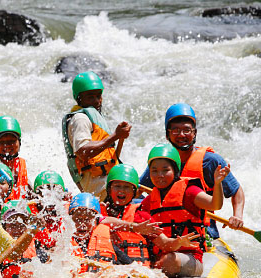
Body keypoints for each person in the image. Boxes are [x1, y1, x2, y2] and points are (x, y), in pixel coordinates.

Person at [139, 103, 245, 240]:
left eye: (187, 130)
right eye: (175, 130)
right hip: (165, 234)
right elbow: (138, 191)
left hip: (202, 233)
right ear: (167, 135)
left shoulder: (211, 161)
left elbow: (236, 191)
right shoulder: (161, 163)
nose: (181, 135)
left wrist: (237, 216)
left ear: (194, 133)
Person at [135, 144, 230, 278]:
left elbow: (215, 204)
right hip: (163, 255)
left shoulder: (189, 192)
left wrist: (218, 183)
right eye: (154, 171)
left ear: (175, 170)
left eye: (165, 170)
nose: (159, 175)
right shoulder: (148, 202)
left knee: (168, 261)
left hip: (190, 258)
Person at [61, 71, 131, 201]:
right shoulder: (80, 119)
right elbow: (83, 151)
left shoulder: (92, 117)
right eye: (90, 97)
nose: (97, 101)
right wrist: (115, 136)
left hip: (110, 186)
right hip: (100, 191)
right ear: (79, 98)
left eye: (99, 96)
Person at [99, 164, 162, 267]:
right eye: (117, 186)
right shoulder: (98, 212)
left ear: (134, 192)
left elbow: (163, 243)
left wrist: (177, 243)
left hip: (137, 272)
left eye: (127, 187)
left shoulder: (141, 217)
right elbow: (101, 220)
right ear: (109, 189)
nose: (122, 190)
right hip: (107, 269)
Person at [0, 115, 31, 200]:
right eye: (1, 142)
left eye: (12, 141)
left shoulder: (20, 166)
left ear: (19, 142)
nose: (7, 146)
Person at [30, 170, 70, 252]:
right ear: (37, 196)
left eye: (56, 192)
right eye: (45, 192)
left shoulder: (68, 211)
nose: (50, 197)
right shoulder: (29, 213)